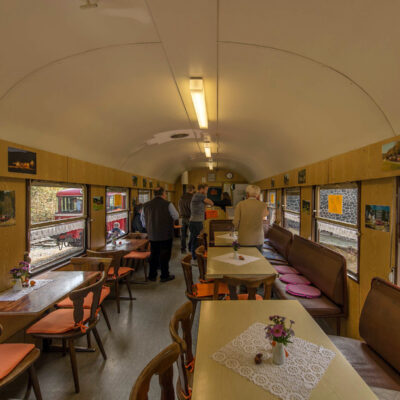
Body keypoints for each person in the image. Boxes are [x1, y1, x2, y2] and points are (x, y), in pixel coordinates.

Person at [141, 187, 179, 282]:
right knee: (165, 255)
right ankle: (164, 275)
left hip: (152, 234)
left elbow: (143, 222)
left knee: (153, 255)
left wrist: (150, 227)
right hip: (166, 234)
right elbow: (176, 216)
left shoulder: (146, 205)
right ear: (163, 193)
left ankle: (152, 275)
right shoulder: (168, 204)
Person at [233, 185, 269, 252]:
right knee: (258, 260)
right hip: (258, 239)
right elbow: (264, 216)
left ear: (247, 194)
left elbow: (235, 222)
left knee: (245, 259)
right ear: (258, 195)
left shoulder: (240, 204)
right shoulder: (263, 205)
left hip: (244, 238)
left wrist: (239, 229)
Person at [188, 184, 214, 260]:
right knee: (197, 239)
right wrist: (206, 196)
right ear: (201, 189)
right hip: (196, 222)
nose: (207, 191)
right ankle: (195, 256)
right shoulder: (199, 195)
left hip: (195, 221)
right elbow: (211, 203)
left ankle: (194, 254)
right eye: (206, 190)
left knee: (194, 238)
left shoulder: (198, 196)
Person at [178, 184, 195, 254]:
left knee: (183, 234)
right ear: (192, 190)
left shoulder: (181, 197)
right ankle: (190, 247)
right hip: (190, 218)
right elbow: (193, 209)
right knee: (192, 233)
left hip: (182, 218)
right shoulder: (193, 198)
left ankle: (183, 249)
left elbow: (179, 207)